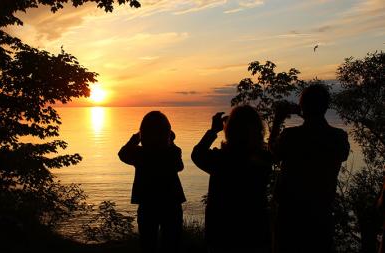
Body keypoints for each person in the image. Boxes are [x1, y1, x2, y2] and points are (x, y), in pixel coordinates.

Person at [269, 84, 350, 253]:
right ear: (326, 106)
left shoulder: (291, 136)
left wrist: (277, 120)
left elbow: (274, 153)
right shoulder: (339, 138)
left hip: (290, 217)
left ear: (303, 106)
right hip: (321, 215)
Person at [192, 105, 272, 253]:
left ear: (229, 130)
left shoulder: (221, 160)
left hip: (222, 232)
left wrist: (213, 131)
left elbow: (197, 155)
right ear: (258, 130)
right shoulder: (263, 159)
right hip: (254, 231)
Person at [118, 111, 185, 253]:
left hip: (147, 204)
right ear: (167, 131)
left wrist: (135, 139)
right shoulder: (172, 151)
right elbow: (179, 166)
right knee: (172, 244)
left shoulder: (139, 153)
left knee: (148, 245)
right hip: (171, 203)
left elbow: (122, 154)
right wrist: (171, 141)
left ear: (143, 133)